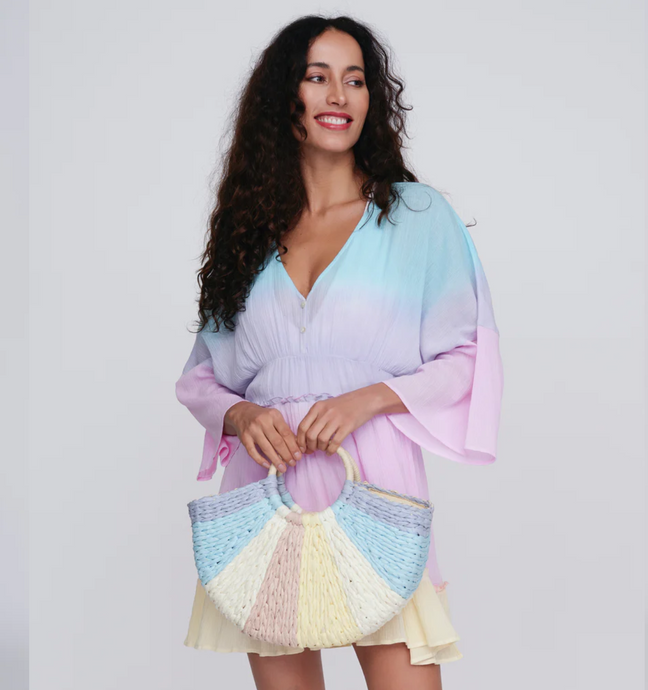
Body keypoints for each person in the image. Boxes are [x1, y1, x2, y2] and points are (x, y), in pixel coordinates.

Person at [175, 14, 504, 690]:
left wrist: (371, 398)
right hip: (265, 490)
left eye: (354, 80)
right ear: (284, 97)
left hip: (376, 482)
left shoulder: (415, 217)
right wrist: (241, 415)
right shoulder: (247, 232)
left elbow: (469, 354)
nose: (338, 95)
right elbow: (203, 377)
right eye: (316, 76)